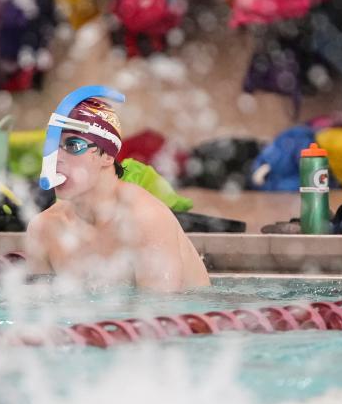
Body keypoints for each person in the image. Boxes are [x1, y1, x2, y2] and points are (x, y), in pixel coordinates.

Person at [25, 87, 210, 291]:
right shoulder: (43, 228)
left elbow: (161, 316)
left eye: (73, 146)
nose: (56, 159)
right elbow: (37, 312)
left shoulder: (145, 219)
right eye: (51, 146)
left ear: (108, 155)